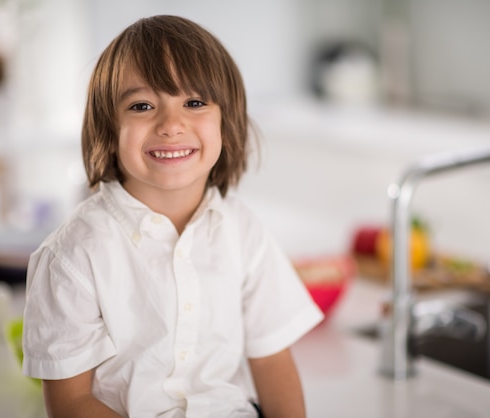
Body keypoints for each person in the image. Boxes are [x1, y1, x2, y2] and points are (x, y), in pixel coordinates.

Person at [22, 15, 323, 418]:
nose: (171, 125)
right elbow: (71, 403)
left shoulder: (243, 231)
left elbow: (271, 360)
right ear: (109, 129)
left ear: (225, 122)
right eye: (142, 105)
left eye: (194, 102)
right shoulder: (72, 255)